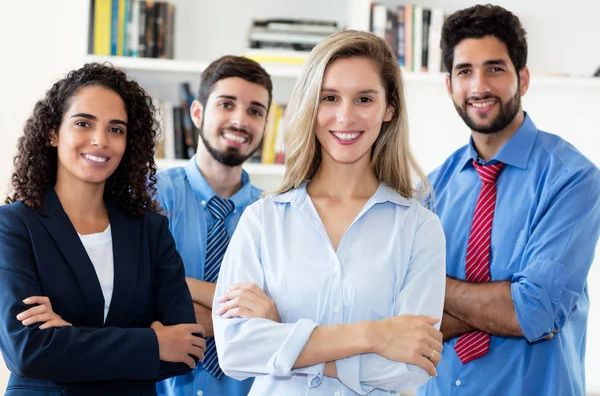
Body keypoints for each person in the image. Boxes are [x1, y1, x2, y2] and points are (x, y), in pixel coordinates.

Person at [212, 30, 446, 395]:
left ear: (389, 108)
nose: (345, 116)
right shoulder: (263, 219)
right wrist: (373, 335)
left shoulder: (420, 228)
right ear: (310, 105)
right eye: (330, 98)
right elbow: (236, 350)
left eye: (364, 99)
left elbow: (412, 366)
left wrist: (283, 336)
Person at [416, 4, 600, 396]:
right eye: (465, 71)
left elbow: (535, 311)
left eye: (495, 68)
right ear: (449, 85)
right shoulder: (429, 190)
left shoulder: (573, 179)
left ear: (523, 78)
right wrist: (501, 301)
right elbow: (407, 315)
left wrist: (432, 284)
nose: (479, 86)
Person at [0, 63, 206, 395]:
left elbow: (186, 348)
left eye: (116, 129)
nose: (100, 141)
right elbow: (27, 350)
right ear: (53, 132)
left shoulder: (150, 230)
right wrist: (152, 342)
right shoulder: (13, 225)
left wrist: (69, 334)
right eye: (84, 123)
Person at [155, 55, 277, 396]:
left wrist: (174, 285)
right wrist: (235, 316)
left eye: (255, 111)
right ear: (197, 113)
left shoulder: (276, 216)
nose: (240, 120)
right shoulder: (151, 196)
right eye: (227, 104)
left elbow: (278, 313)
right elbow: (132, 299)